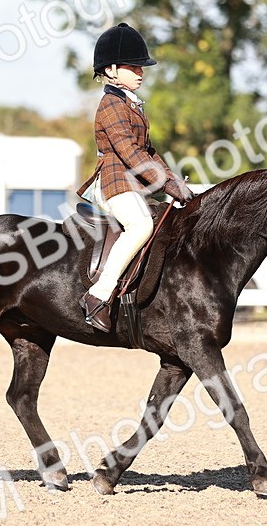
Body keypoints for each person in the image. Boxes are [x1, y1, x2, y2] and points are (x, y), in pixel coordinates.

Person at [75, 23, 194, 332]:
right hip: (114, 181)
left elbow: (148, 151)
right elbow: (129, 152)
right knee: (141, 224)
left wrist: (174, 181)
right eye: (134, 66)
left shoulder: (130, 104)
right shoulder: (111, 105)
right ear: (111, 70)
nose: (141, 71)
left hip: (131, 182)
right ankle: (98, 296)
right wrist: (166, 183)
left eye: (141, 66)